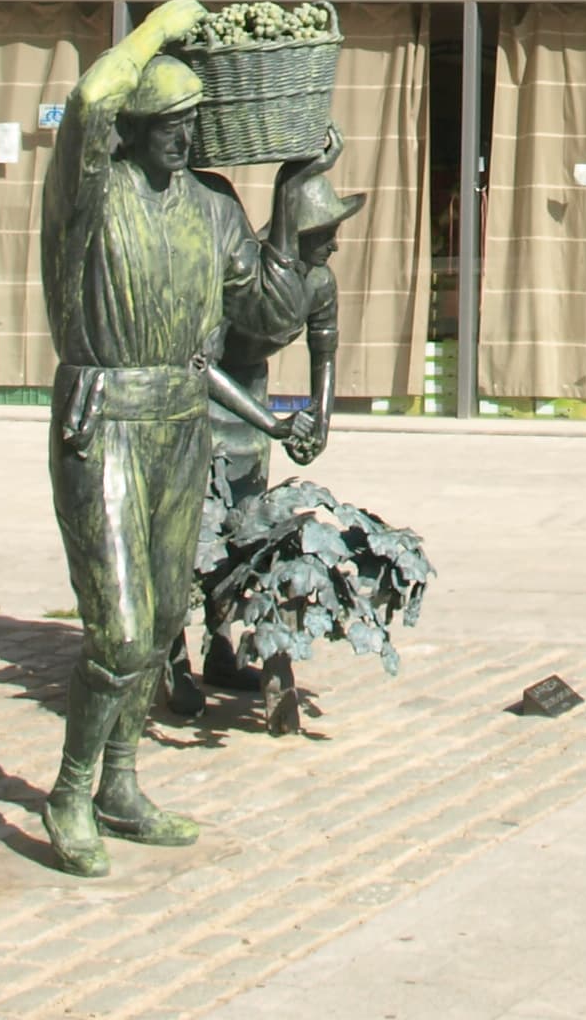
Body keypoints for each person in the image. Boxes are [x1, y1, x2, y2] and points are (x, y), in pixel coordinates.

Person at [32, 0, 306, 877]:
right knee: (115, 631)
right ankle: (69, 791)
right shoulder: (92, 189)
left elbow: (265, 315)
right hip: (104, 418)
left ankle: (120, 785)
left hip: (181, 425)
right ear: (138, 127)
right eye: (167, 124)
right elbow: (88, 100)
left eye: (191, 123)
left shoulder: (212, 206)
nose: (182, 138)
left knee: (156, 628)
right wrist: (157, 26)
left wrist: (294, 204)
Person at [173, 149, 366, 736]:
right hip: (205, 405)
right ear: (298, 234)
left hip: (252, 406)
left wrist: (319, 422)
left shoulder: (318, 283)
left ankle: (221, 647)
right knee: (191, 533)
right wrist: (273, 421)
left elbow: (324, 352)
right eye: (325, 234)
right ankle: (171, 657)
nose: (334, 245)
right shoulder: (242, 281)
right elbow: (200, 364)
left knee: (244, 527)